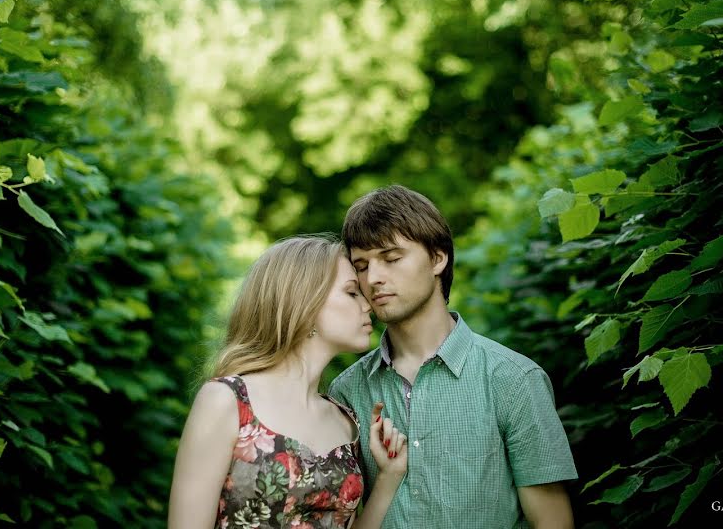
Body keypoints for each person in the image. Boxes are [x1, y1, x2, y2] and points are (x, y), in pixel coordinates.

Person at [328, 185, 577, 529]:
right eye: (361, 265)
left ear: (437, 258)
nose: (373, 278)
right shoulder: (347, 391)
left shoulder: (515, 379)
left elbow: (553, 522)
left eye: (391, 258)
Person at [168, 236, 408, 529]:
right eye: (351, 292)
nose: (367, 304)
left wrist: (388, 477)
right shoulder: (227, 401)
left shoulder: (346, 420)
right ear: (305, 303)